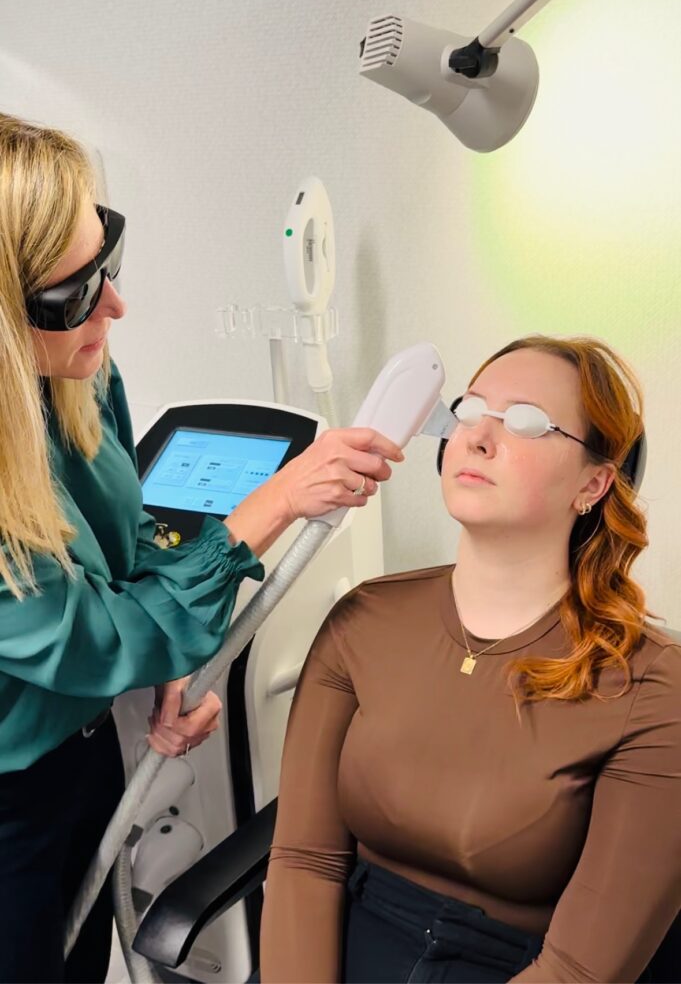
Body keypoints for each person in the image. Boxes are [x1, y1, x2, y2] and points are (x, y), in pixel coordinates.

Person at [0, 111, 404, 984]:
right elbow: (92, 635)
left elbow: (129, 542)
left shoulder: (76, 372)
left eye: (108, 258)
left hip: (79, 753)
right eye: (75, 297)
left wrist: (162, 680)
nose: (116, 306)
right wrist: (276, 500)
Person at [260, 334, 681, 983]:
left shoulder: (651, 685)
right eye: (469, 410)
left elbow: (578, 969)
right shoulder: (363, 623)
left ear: (593, 483)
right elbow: (304, 861)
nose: (478, 437)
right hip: (343, 950)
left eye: (526, 423)